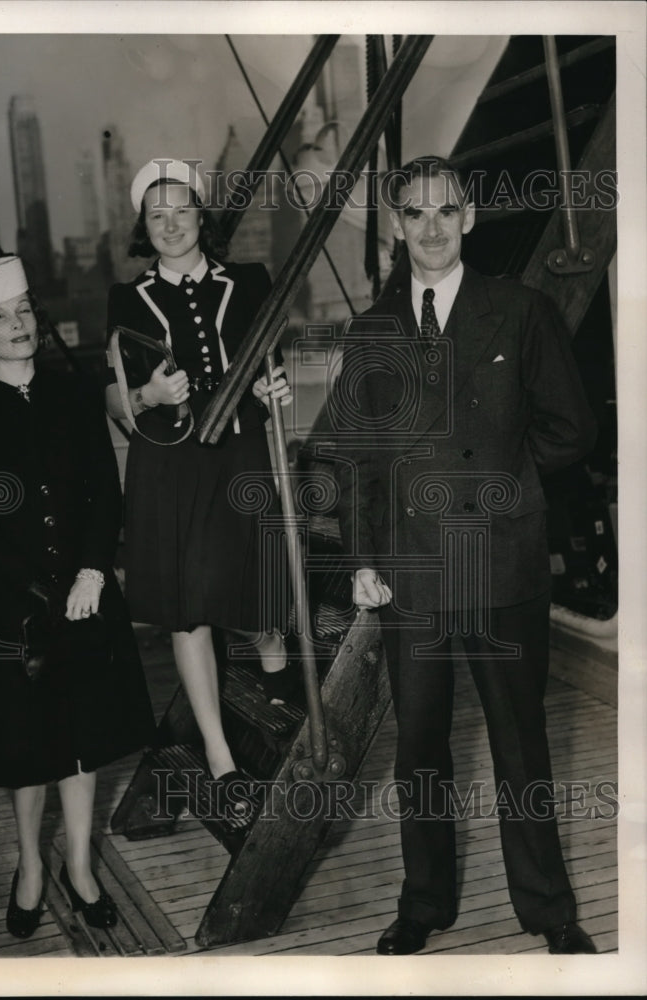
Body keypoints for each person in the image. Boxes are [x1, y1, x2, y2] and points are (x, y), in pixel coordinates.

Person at [336, 156, 599, 955]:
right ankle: (423, 904)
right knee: (418, 749)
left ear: (469, 216)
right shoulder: (373, 331)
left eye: (445, 211)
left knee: (520, 746)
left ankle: (550, 912)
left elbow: (571, 430)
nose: (431, 228)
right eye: (414, 214)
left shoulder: (518, 311)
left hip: (501, 564)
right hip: (411, 571)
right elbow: (356, 457)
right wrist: (362, 557)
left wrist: (503, 485)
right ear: (396, 225)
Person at [0, 254, 156, 939]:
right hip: (12, 609)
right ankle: (30, 865)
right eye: (1, 317)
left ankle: (80, 868)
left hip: (84, 597)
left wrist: (92, 573)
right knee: (27, 746)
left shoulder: (73, 393)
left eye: (24, 310)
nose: (18, 324)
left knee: (85, 740)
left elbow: (104, 494)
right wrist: (24, 597)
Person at [105, 158, 293, 824]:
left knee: (257, 597)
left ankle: (272, 654)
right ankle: (219, 757)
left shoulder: (248, 280)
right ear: (143, 229)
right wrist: (150, 395)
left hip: (240, 451)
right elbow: (114, 396)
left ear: (201, 218)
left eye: (181, 210)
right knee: (188, 609)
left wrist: (275, 387)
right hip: (171, 464)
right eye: (157, 216)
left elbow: (272, 359)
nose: (171, 224)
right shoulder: (127, 299)